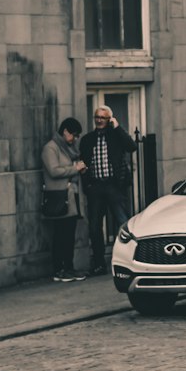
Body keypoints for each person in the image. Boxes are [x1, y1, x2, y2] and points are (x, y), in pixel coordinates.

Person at [79, 105, 138, 276]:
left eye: (103, 118)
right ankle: (99, 264)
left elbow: (132, 146)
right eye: (97, 117)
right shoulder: (87, 139)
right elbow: (84, 161)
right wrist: (87, 183)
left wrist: (117, 127)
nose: (99, 120)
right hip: (96, 187)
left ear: (109, 120)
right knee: (95, 227)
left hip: (114, 186)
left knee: (122, 222)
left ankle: (128, 262)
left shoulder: (116, 136)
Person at [41, 118, 88, 282]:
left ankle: (69, 267)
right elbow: (53, 171)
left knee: (69, 235)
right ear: (65, 131)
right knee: (60, 234)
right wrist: (74, 168)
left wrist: (79, 169)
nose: (75, 139)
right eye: (73, 135)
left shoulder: (69, 148)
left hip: (72, 196)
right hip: (59, 197)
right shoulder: (51, 148)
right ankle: (59, 269)